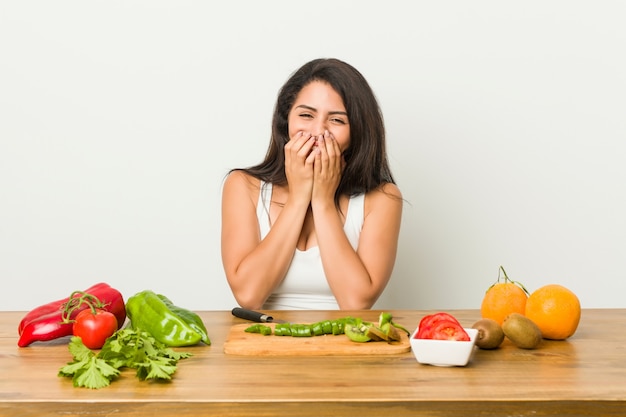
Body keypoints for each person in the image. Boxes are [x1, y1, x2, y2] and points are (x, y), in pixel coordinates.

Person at [221, 58, 402, 310]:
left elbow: (356, 303)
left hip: (345, 343)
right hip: (264, 340)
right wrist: (299, 197)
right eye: (306, 115)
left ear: (357, 131)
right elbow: (249, 296)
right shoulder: (243, 186)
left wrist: (322, 200)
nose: (318, 131)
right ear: (286, 122)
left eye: (337, 120)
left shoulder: (383, 198)